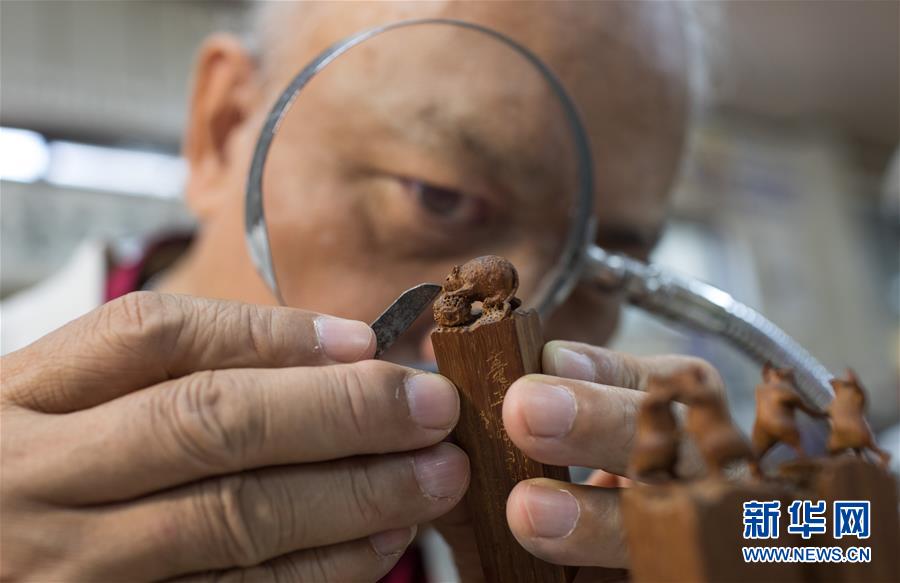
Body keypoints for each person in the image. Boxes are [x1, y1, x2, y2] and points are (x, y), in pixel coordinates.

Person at [0, 2, 728, 581]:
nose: (510, 332)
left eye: (602, 267)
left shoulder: (578, 523)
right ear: (224, 129)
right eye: (440, 198)